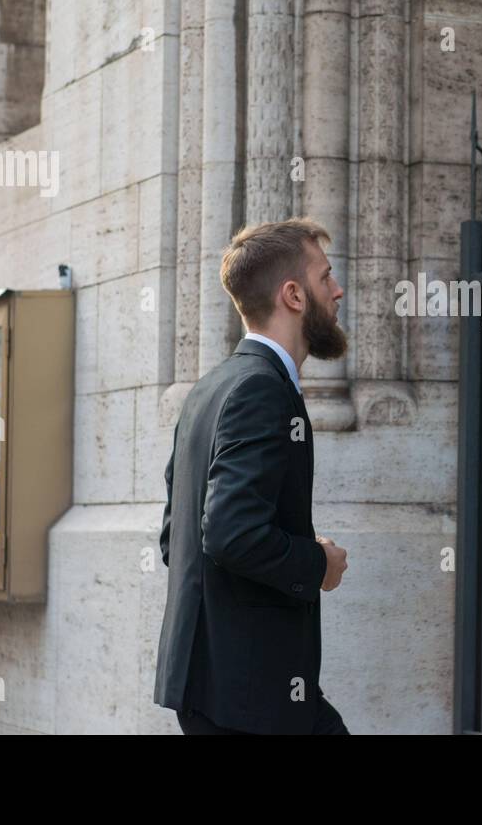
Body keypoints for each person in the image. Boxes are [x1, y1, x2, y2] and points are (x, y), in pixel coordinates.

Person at [154, 217, 351, 734]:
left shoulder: (209, 389)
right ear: (293, 294)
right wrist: (317, 562)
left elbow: (178, 539)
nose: (338, 290)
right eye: (325, 277)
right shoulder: (260, 390)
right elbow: (229, 533)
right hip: (251, 699)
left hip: (225, 692)